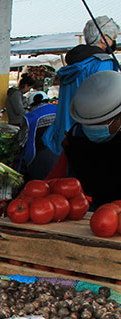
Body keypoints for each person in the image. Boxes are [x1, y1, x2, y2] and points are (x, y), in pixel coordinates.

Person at [42, 16, 119, 156]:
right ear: (103, 38)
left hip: (65, 134)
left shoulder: (72, 65)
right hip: (88, 138)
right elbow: (105, 106)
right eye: (113, 38)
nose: (114, 42)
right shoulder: (103, 63)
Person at [50, 70, 121, 208]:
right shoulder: (75, 138)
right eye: (88, 124)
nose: (93, 129)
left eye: (100, 123)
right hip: (84, 212)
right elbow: (56, 178)